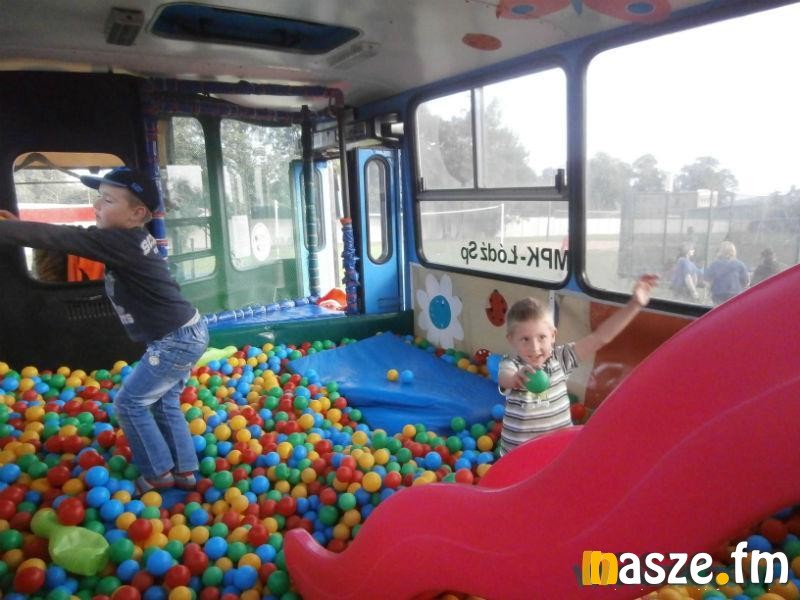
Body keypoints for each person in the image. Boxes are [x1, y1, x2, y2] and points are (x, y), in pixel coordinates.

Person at [0, 166, 206, 495]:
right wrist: (18, 226)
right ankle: (185, 471)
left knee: (129, 403)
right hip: (184, 331)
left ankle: (158, 474)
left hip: (175, 339)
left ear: (137, 213)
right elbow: (71, 235)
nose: (97, 206)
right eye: (99, 198)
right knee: (163, 402)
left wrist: (10, 230)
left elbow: (62, 239)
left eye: (108, 201)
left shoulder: (121, 242)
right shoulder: (131, 238)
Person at [497, 274, 658, 456]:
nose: (535, 347)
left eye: (542, 337)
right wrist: (516, 378)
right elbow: (504, 377)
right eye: (525, 339)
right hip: (518, 456)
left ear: (553, 335)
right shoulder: (512, 363)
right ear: (511, 340)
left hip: (557, 451)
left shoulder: (560, 359)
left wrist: (634, 305)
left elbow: (599, 338)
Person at [703, 240, 749, 305]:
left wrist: (708, 293)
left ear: (720, 252)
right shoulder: (740, 264)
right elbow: (746, 281)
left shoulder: (714, 264)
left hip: (718, 295)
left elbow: (707, 281)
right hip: (735, 295)